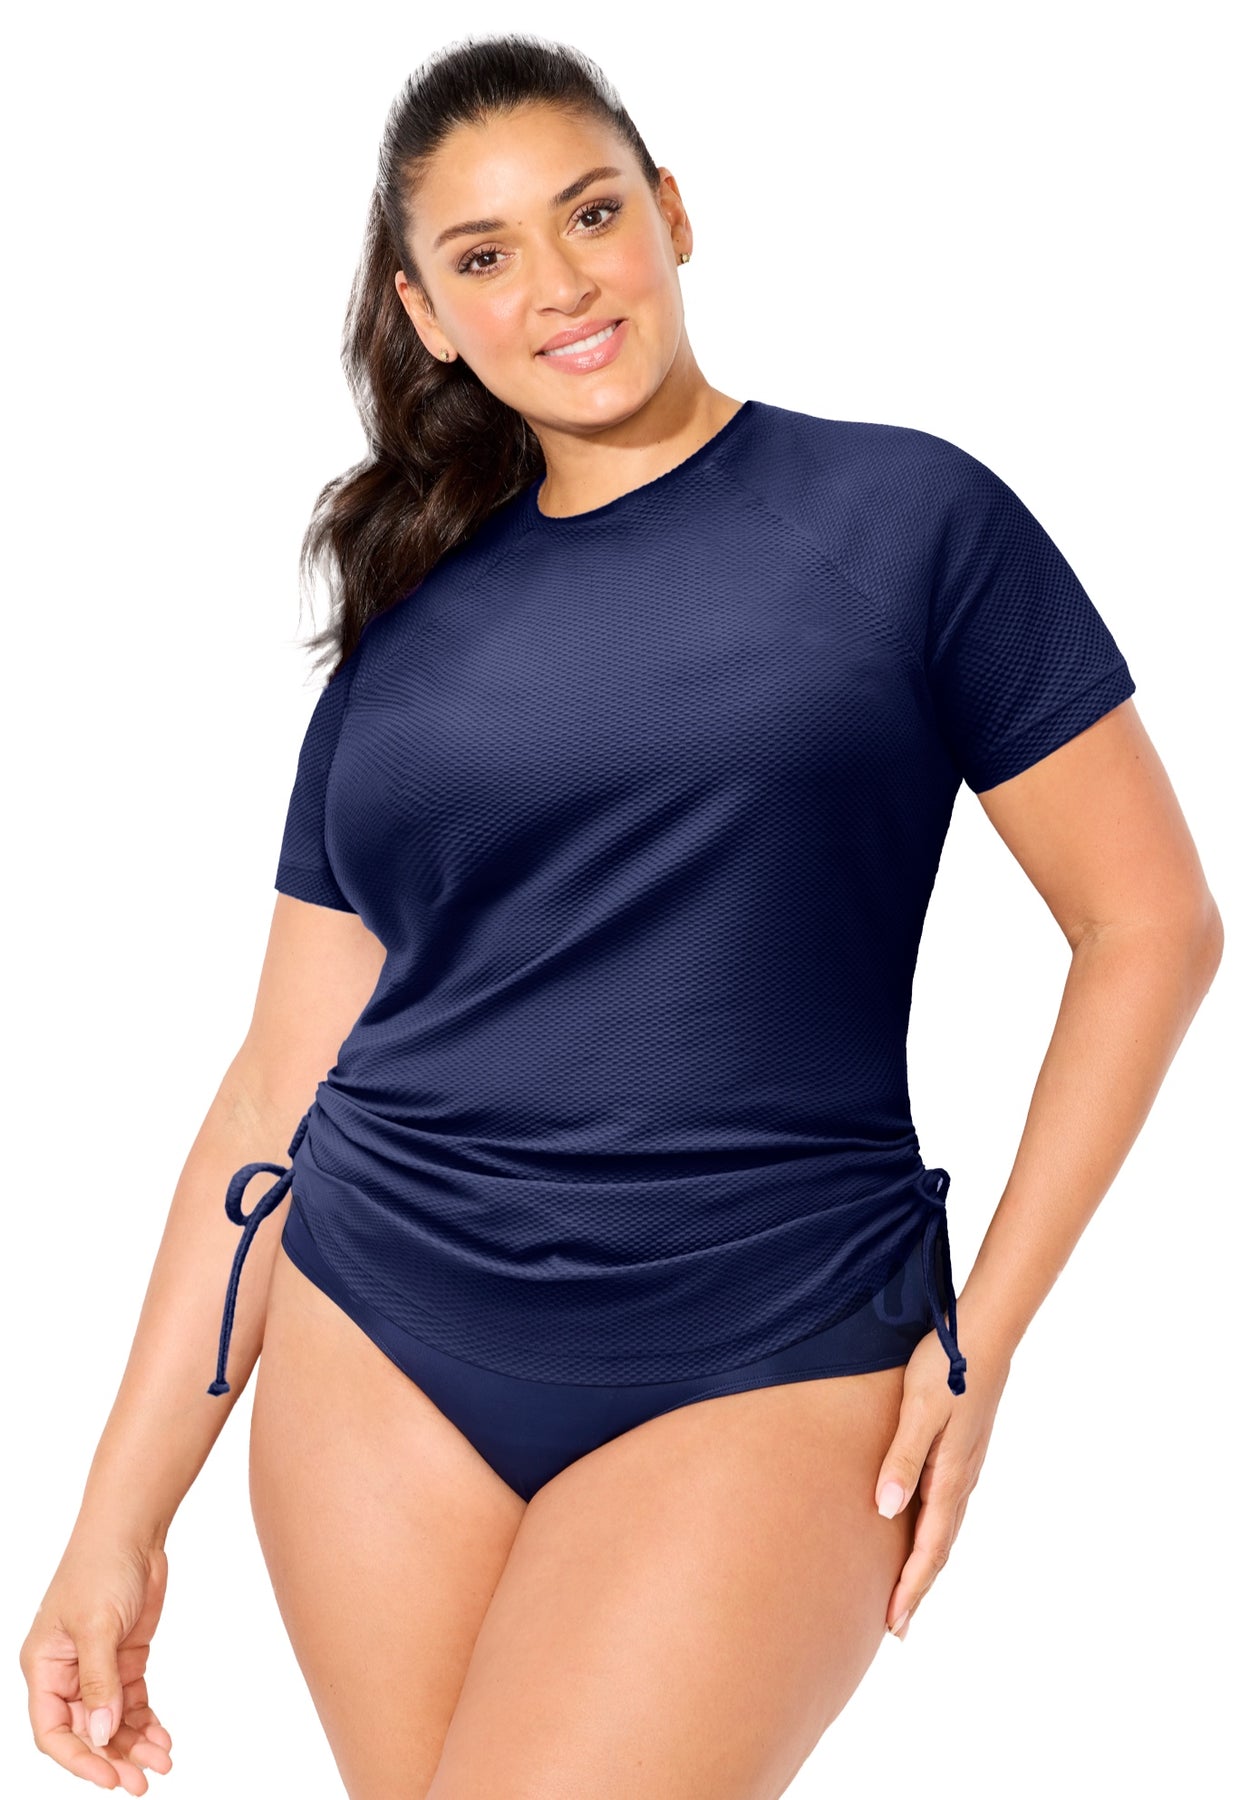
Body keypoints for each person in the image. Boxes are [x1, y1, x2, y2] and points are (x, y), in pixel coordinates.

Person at [20, 30, 1223, 1800]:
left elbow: (1150, 925)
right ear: (429, 315)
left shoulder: (907, 520)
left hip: (769, 1343)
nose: (561, 283)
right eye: (485, 254)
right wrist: (113, 1523)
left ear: (671, 213)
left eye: (591, 215)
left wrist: (984, 1336)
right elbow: (278, 1085)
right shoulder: (409, 625)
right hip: (380, 1342)